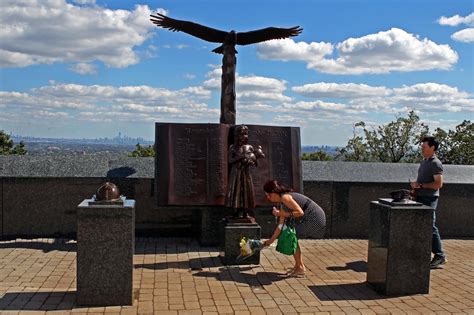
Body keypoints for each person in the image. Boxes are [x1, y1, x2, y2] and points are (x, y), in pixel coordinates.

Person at [262, 179, 326, 277]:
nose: (268, 197)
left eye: (268, 195)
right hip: (312, 218)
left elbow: (300, 212)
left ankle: (300, 268)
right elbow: (280, 225)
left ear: (274, 192)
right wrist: (270, 241)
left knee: (291, 236)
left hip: (315, 219)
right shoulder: (282, 202)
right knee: (291, 234)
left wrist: (281, 213)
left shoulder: (285, 197)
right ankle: (298, 266)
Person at [410, 136, 446, 269]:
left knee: (430, 226)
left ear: (432, 148)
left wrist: (421, 186)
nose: (422, 149)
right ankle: (421, 253)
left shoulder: (435, 163)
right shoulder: (424, 161)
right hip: (420, 197)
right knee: (421, 226)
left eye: (424, 147)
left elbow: (438, 184)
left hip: (429, 198)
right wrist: (416, 187)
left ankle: (440, 255)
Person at [225, 125, 264, 218]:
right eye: (242, 134)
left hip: (246, 172)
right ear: (237, 135)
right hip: (236, 172)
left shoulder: (249, 147)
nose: (244, 136)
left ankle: (246, 212)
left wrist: (252, 161)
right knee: (236, 191)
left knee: (246, 191)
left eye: (246, 134)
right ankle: (236, 211)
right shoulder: (233, 147)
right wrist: (241, 156)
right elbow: (230, 160)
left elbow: (255, 161)